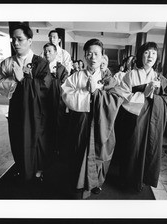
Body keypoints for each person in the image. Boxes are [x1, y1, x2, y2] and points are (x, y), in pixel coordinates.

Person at [61, 38, 123, 199]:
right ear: (85, 56)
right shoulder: (76, 76)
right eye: (89, 54)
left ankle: (96, 183)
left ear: (103, 56)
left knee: (101, 151)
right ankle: (80, 182)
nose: (93, 57)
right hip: (81, 120)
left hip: (103, 122)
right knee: (80, 151)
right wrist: (87, 95)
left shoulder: (109, 79)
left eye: (96, 54)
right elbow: (65, 94)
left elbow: (116, 99)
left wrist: (96, 93)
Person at [0, 23, 52, 181]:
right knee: (18, 138)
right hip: (17, 109)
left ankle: (38, 170)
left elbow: (46, 86)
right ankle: (21, 168)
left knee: (37, 139)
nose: (16, 43)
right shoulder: (7, 63)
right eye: (13, 40)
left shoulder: (40, 62)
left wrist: (23, 80)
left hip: (36, 110)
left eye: (20, 39)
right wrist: (14, 81)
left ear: (30, 41)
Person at [114, 42, 167, 192]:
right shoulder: (131, 74)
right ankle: (127, 181)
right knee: (131, 148)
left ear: (157, 56)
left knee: (148, 149)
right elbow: (122, 94)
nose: (150, 56)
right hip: (134, 115)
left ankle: (141, 180)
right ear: (141, 55)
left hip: (152, 118)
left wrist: (154, 96)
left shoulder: (159, 77)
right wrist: (143, 93)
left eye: (153, 53)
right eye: (146, 53)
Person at [43, 43, 69, 157]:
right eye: (45, 51)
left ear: (55, 53)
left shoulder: (62, 68)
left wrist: (52, 81)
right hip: (43, 102)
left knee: (58, 126)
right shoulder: (40, 67)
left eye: (49, 51)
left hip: (58, 103)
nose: (47, 53)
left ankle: (57, 149)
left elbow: (64, 85)